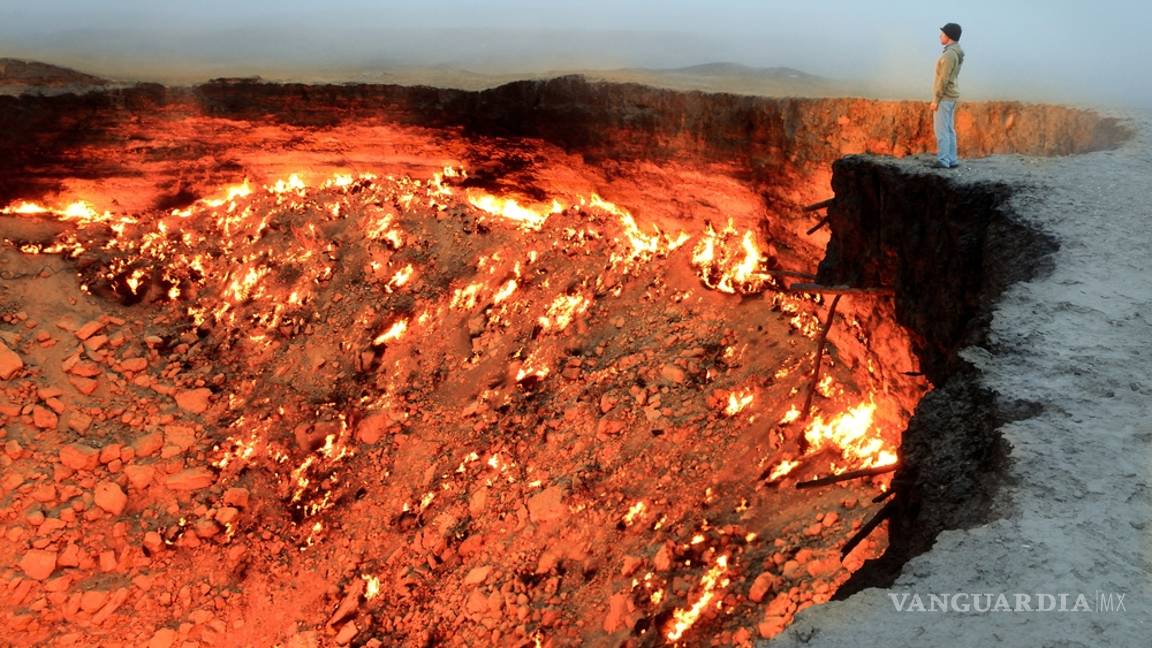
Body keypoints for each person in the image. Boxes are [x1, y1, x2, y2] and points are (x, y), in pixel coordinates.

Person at [930, 22, 965, 169]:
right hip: (951, 96)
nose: (940, 36)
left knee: (941, 130)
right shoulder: (956, 52)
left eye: (943, 33)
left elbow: (943, 79)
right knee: (950, 129)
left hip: (944, 97)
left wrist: (936, 100)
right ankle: (952, 159)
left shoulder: (949, 54)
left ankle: (943, 160)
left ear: (949, 36)